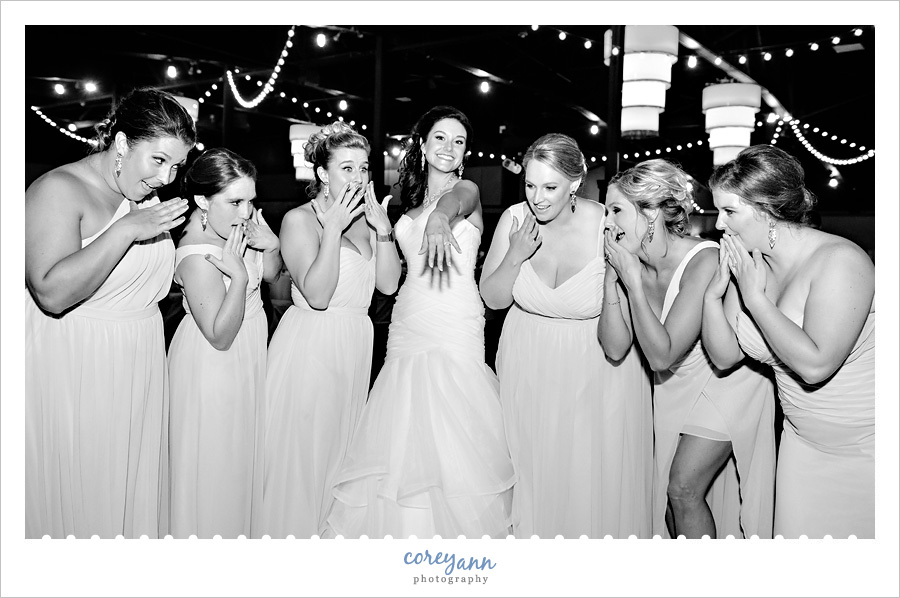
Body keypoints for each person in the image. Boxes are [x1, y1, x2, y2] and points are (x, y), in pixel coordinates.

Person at [326, 106, 515, 539]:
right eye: (440, 138)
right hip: (410, 322)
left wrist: (439, 218)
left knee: (456, 438)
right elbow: (389, 284)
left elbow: (456, 201)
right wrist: (383, 230)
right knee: (400, 434)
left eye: (459, 140)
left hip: (455, 323)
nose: (449, 147)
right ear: (423, 145)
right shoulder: (406, 208)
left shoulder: (465, 192)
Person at [25, 87, 195, 538]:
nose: (166, 177)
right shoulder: (58, 190)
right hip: (79, 365)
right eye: (157, 160)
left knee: (128, 493)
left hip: (138, 363)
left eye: (176, 165)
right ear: (121, 143)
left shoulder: (145, 200)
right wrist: (124, 232)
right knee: (87, 494)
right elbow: (51, 294)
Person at [480, 133, 652, 538]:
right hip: (527, 362)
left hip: (594, 369)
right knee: (531, 470)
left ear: (575, 183)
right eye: (530, 184)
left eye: (550, 187)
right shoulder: (514, 220)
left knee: (585, 475)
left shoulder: (607, 224)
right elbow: (493, 298)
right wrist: (515, 254)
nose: (537, 197)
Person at [703, 145, 875, 539]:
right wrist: (714, 297)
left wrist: (756, 299)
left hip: (867, 449)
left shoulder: (839, 260)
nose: (718, 225)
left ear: (767, 210)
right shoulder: (752, 264)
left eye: (730, 212)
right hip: (801, 445)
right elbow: (725, 355)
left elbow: (816, 366)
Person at [599, 159, 776, 539]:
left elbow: (663, 354)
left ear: (650, 213)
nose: (607, 222)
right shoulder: (634, 266)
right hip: (673, 387)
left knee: (682, 487)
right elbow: (615, 347)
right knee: (665, 498)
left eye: (616, 210)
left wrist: (632, 282)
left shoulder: (704, 259)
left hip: (726, 381)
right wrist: (613, 280)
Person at [259, 122, 401, 538]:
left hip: (354, 344)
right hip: (312, 345)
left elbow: (389, 285)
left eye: (363, 168)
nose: (358, 178)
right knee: (306, 452)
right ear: (323, 173)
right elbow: (318, 294)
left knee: (342, 450)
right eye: (346, 168)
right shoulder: (299, 220)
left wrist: (383, 229)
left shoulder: (367, 221)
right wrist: (334, 228)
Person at [167, 148, 282, 538]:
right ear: (202, 200)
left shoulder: (234, 231)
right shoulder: (197, 254)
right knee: (216, 464)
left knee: (237, 461)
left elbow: (272, 277)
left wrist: (272, 246)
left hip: (246, 355)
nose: (246, 213)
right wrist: (240, 279)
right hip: (214, 366)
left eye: (250, 201)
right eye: (235, 202)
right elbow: (219, 335)